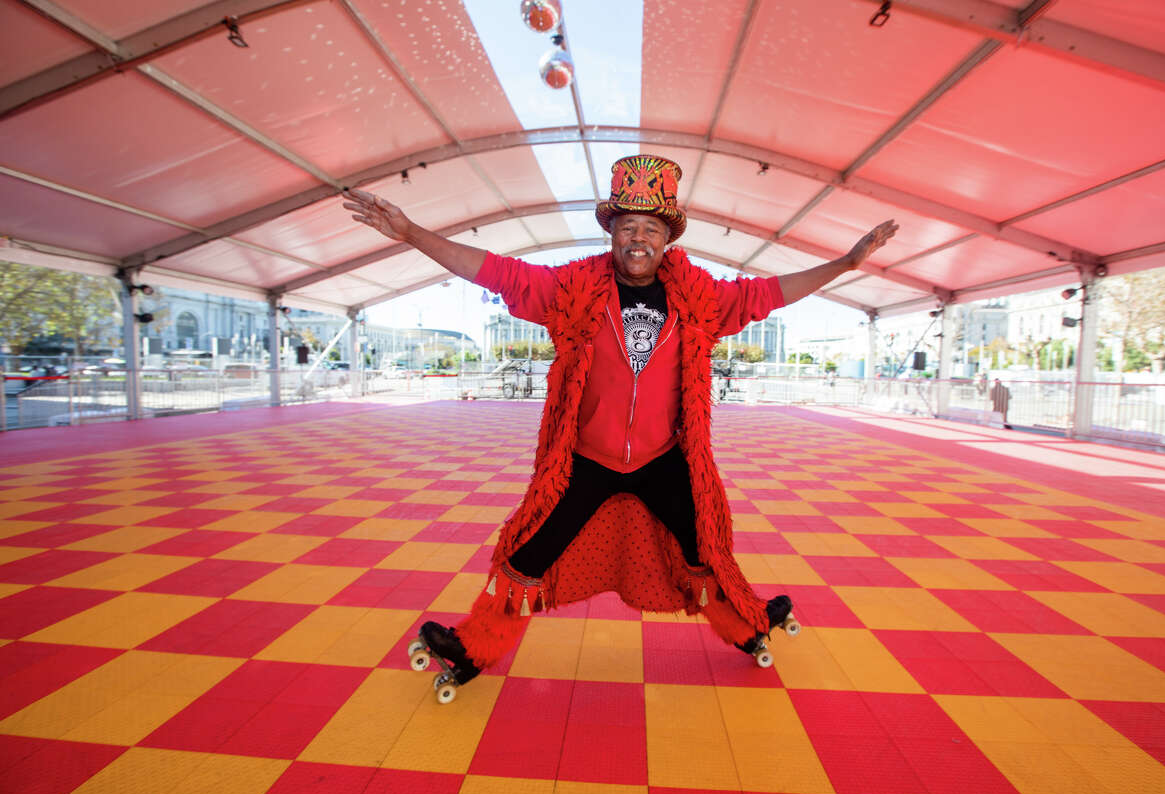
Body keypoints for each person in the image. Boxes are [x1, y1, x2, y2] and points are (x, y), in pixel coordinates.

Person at [343, 154, 897, 694]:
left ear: (668, 239)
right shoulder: (573, 291)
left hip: (663, 460)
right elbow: (497, 272)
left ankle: (750, 626)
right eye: (627, 225)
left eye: (651, 228)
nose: (639, 238)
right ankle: (474, 647)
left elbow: (764, 296)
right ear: (611, 234)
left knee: (704, 549)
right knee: (527, 552)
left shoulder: (699, 298)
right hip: (585, 461)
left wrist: (846, 264)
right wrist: (412, 232)